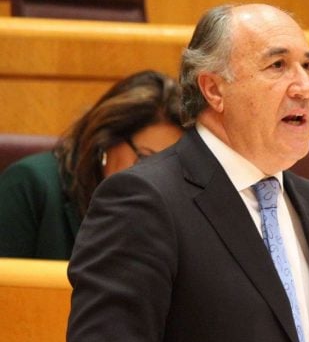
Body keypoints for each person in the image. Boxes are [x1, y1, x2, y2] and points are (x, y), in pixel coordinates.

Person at [66, 4, 309, 342]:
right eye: (278, 65)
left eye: (307, 66)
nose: (304, 87)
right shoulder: (145, 200)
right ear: (213, 89)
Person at [0, 70, 184, 259]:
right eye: (146, 159)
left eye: (169, 168)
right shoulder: (27, 186)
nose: (156, 179)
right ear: (106, 141)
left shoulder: (170, 215)